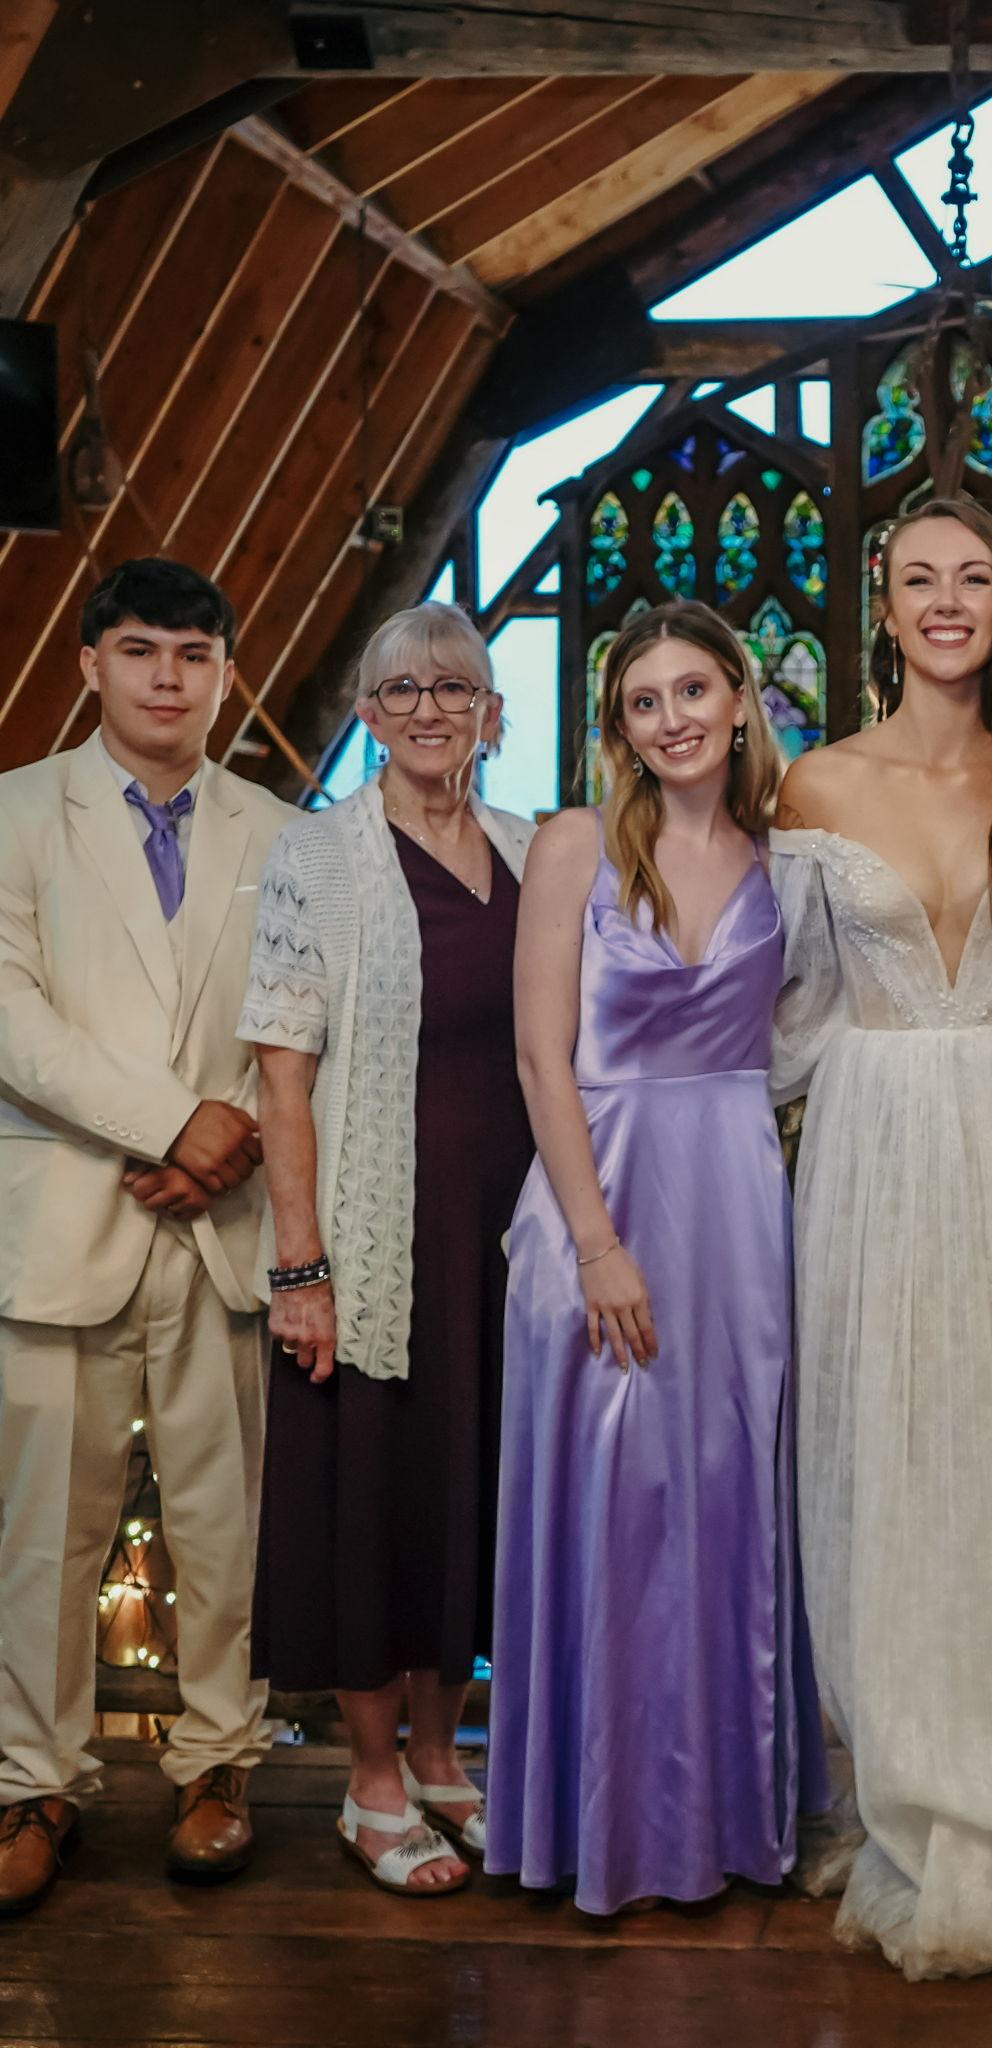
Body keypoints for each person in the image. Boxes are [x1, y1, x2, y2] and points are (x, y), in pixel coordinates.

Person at [769, 496, 992, 1979]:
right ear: (885, 604)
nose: (947, 601)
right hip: (874, 1142)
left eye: (974, 577)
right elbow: (788, 1003)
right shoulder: (816, 784)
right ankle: (905, 1783)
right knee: (888, 1453)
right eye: (920, 578)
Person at [488, 602, 827, 1915]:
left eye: (694, 691)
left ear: (740, 701)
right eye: (645, 701)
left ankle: (728, 1819)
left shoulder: (790, 849)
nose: (674, 718)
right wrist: (596, 1247)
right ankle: (600, 1829)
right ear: (619, 729)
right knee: (612, 1509)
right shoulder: (575, 843)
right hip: (600, 1195)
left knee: (729, 1501)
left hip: (736, 1207)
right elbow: (540, 1057)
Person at [0, 559, 293, 1912]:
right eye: (139, 650)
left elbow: (311, 1023)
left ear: (227, 673)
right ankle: (35, 1781)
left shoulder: (285, 834)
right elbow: (13, 1021)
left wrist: (229, 1137)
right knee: (42, 1535)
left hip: (225, 1221)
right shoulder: (15, 814)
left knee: (226, 1525)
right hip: (71, 1209)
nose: (167, 678)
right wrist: (175, 1123)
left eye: (193, 654)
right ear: (89, 664)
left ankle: (218, 1763)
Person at [239, 602, 534, 1897]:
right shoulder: (320, 855)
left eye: (453, 687)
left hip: (506, 1237)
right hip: (375, 1235)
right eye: (401, 689)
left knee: (467, 1491)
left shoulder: (530, 847)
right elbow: (281, 1077)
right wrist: (302, 1266)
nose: (428, 708)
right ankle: (369, 1784)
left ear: (491, 714)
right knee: (374, 1500)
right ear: (366, 715)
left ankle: (438, 1755)